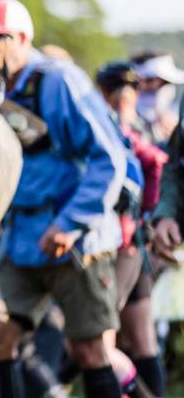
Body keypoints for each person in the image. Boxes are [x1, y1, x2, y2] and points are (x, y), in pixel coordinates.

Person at [0, 0, 128, 398]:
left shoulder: (59, 81)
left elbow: (110, 159)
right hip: (20, 240)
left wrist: (70, 223)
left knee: (89, 350)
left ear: (22, 39)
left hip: (74, 241)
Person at [95, 61, 166, 397]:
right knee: (141, 339)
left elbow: (156, 165)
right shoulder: (145, 125)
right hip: (138, 241)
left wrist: (145, 214)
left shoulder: (116, 128)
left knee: (102, 343)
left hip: (122, 244)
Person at [131, 52, 184, 146]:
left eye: (166, 83)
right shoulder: (129, 119)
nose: (165, 88)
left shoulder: (174, 117)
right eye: (162, 82)